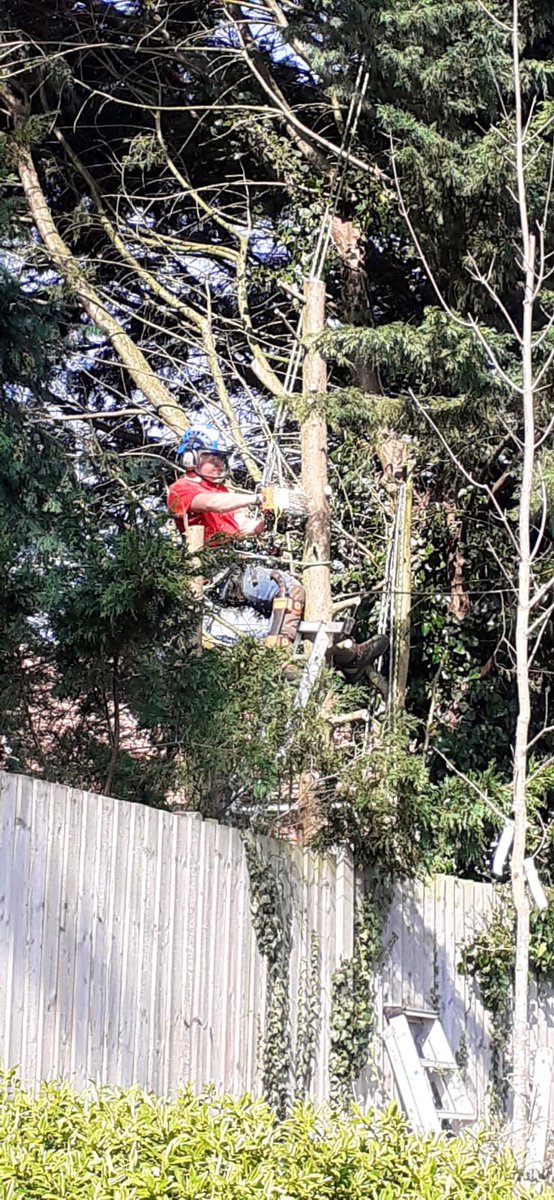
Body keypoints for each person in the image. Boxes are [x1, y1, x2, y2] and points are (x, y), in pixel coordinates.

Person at [167, 426, 389, 686]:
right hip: (218, 573)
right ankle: (278, 660)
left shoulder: (222, 491)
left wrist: (266, 517)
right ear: (191, 459)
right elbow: (209, 504)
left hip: (234, 568)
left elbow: (241, 525)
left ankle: (348, 655)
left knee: (299, 609)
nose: (217, 465)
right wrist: (255, 497)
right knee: (290, 590)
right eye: (210, 459)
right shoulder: (181, 489)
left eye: (220, 460)